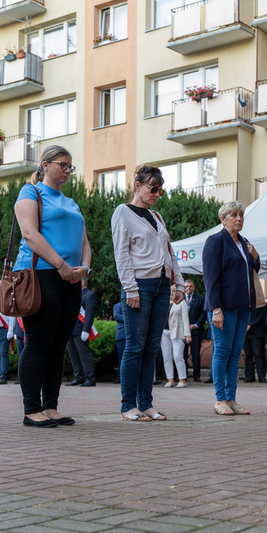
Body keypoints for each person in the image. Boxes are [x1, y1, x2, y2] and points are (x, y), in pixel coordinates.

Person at [14, 145, 91, 428]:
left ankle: (51, 406)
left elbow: (84, 242)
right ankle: (32, 409)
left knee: (58, 344)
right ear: (45, 165)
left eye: (71, 166)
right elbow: (29, 234)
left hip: (70, 279)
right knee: (38, 342)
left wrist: (84, 268)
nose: (68, 170)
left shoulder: (72, 203)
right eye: (63, 164)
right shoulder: (31, 192)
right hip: (41, 274)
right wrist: (60, 264)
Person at [112, 165, 184, 422]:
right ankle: (128, 405)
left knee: (151, 347)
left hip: (162, 286)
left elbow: (169, 251)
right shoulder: (123, 212)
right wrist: (130, 288)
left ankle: (147, 403)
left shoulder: (157, 216)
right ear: (137, 185)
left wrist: (180, 284)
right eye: (153, 188)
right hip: (139, 286)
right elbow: (121, 254)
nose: (156, 193)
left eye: (160, 190)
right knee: (135, 346)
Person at [203, 200, 258, 417]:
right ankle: (220, 399)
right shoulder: (215, 241)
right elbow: (210, 278)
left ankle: (232, 398)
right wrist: (216, 308)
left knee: (235, 354)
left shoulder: (244, 243)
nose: (239, 219)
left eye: (241, 215)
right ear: (222, 219)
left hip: (243, 306)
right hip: (223, 307)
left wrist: (256, 257)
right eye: (233, 215)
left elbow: (250, 271)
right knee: (223, 351)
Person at [65, 278, 98, 387]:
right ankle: (78, 377)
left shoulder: (89, 295)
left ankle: (90, 378)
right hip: (71, 329)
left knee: (84, 355)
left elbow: (89, 314)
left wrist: (86, 330)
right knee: (73, 355)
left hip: (81, 330)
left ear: (82, 282)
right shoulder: (74, 295)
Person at [162, 289, 191, 388]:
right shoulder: (163, 302)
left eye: (173, 291)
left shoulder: (181, 303)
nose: (171, 293)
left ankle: (182, 380)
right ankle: (170, 380)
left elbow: (185, 318)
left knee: (177, 356)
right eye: (169, 291)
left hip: (177, 332)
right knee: (166, 356)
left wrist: (187, 334)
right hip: (164, 332)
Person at [183, 280, 207, 382]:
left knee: (195, 354)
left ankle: (196, 375)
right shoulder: (180, 298)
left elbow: (203, 314)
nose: (188, 288)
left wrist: (196, 325)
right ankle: (183, 374)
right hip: (183, 332)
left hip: (195, 331)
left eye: (190, 286)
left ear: (194, 287)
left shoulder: (200, 299)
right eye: (186, 286)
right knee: (182, 354)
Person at [243, 303, 267, 383]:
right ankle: (250, 376)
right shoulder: (245, 303)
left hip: (257, 333)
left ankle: (261, 376)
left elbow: (261, 317)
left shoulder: (263, 304)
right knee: (248, 354)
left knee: (258, 354)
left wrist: (250, 325)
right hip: (245, 333)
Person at [112, 300, 125, 384]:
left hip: (132, 335)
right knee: (121, 357)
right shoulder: (117, 306)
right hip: (122, 335)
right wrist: (130, 317)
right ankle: (120, 377)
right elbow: (117, 316)